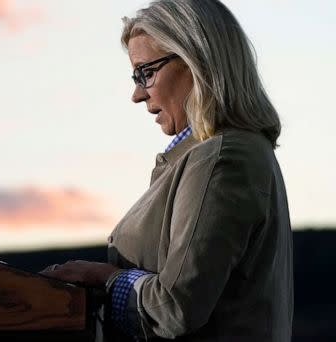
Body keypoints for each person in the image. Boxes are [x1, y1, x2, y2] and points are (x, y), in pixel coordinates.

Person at [40, 0, 293, 340]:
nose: (137, 94)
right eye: (135, 75)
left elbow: (176, 307)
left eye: (146, 72)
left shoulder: (222, 158)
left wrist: (105, 278)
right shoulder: (224, 153)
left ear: (195, 60)